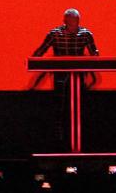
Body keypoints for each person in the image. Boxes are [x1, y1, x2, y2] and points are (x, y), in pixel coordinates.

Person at [33, 8, 100, 147]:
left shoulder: (86, 34)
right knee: (60, 104)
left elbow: (95, 54)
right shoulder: (55, 33)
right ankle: (59, 137)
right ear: (65, 20)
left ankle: (81, 135)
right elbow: (41, 50)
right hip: (60, 74)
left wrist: (95, 60)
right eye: (69, 19)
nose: (72, 21)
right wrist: (33, 61)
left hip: (79, 74)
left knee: (80, 104)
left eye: (75, 19)